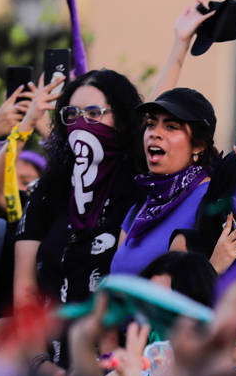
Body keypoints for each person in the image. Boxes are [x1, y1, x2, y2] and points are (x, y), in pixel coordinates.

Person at [15, 70, 144, 308]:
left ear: (123, 120)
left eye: (94, 113)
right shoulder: (50, 189)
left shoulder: (142, 187)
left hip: (117, 340)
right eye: (71, 114)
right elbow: (25, 288)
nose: (82, 123)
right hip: (48, 341)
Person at [109, 87, 222, 275]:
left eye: (171, 127)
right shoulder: (145, 203)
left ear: (198, 145)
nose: (155, 133)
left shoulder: (210, 201)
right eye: (151, 124)